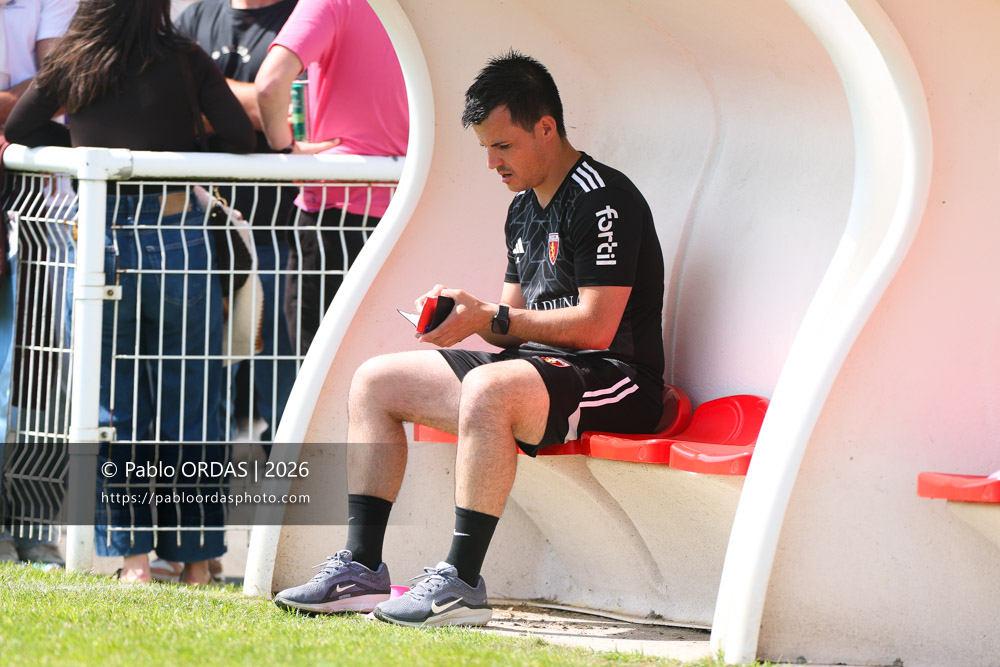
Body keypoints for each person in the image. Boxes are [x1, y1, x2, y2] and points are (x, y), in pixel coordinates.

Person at [273, 51, 667, 627]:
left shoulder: (603, 197)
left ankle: (460, 582)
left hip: (617, 378)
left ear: (547, 128)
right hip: (538, 373)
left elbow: (594, 327)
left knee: (488, 390)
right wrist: (464, 317)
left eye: (503, 146)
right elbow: (511, 324)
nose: (491, 162)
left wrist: (490, 317)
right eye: (485, 147)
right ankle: (361, 568)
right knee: (375, 381)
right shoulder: (521, 207)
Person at [5, 0, 256, 584]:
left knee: (113, 409)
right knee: (193, 401)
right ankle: (196, 561)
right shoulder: (184, 56)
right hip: (176, 236)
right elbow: (241, 136)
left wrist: (81, 147)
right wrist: (180, 153)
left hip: (102, 236)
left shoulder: (75, 55)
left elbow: (18, 128)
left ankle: (134, 562)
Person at [177, 0, 299, 446]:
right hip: (197, 234)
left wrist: (201, 90)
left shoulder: (305, 14)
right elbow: (163, 99)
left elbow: (296, 111)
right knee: (199, 384)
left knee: (285, 386)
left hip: (279, 234)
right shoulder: (194, 16)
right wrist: (255, 101)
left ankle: (291, 484)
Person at [255, 0, 408, 354]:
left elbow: (269, 84)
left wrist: (285, 149)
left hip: (334, 214)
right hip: (419, 209)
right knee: (399, 364)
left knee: (321, 369)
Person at [0, 0, 78, 569]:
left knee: (40, 377)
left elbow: (53, 90)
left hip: (38, 214)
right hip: (31, 209)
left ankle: (31, 526)